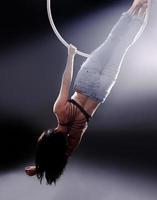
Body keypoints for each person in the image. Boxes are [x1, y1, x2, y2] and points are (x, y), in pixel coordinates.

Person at [25, 0, 150, 185]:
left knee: (122, 47)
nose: (41, 135)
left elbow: (59, 157)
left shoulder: (73, 139)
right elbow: (65, 81)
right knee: (113, 40)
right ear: (46, 139)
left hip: (102, 89)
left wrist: (40, 168)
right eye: (42, 138)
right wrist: (71, 56)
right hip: (87, 80)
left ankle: (141, 9)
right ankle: (136, 6)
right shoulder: (59, 111)